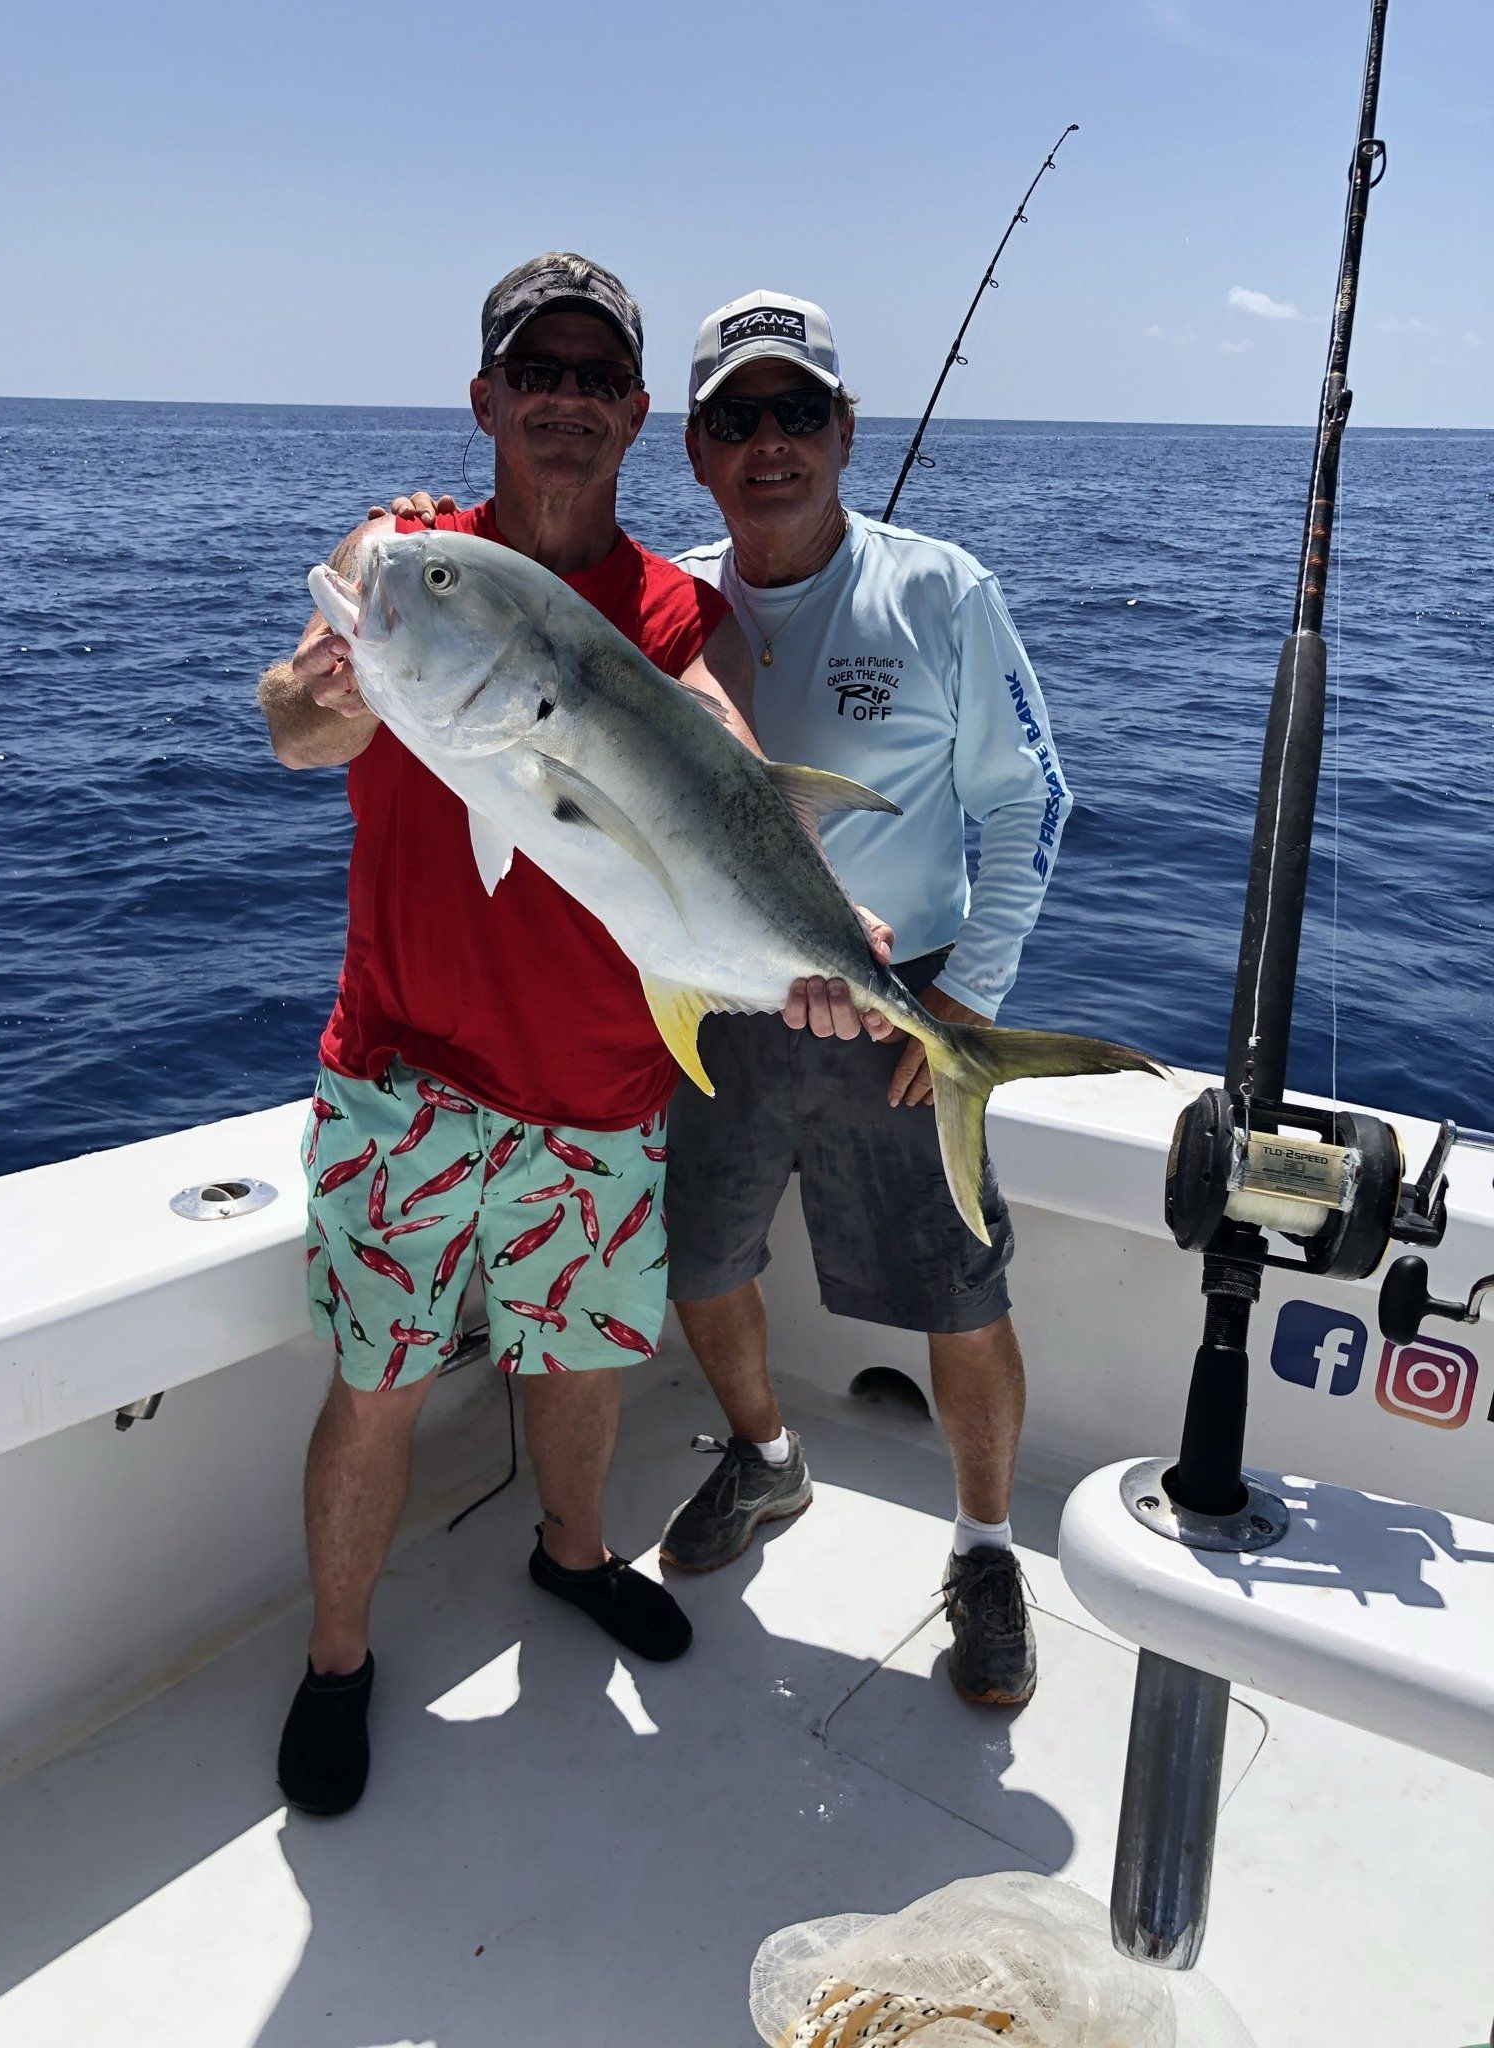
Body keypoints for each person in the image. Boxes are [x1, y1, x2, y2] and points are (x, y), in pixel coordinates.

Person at [256, 253, 762, 1816]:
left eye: (595, 377)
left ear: (636, 413)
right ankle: (338, 1657)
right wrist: (335, 697)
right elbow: (291, 724)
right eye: (534, 371)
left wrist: (812, 916)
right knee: (379, 1381)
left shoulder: (670, 609)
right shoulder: (402, 564)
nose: (563, 400)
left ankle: (576, 1554)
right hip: (401, 1075)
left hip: (600, 1084)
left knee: (584, 1364)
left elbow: (719, 745)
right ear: (484, 398)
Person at [659, 291, 1076, 1708]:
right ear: (695, 449)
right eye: (736, 417)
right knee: (700, 1263)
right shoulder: (667, 606)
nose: (768, 442)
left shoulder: (941, 591)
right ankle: (766, 1460)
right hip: (716, 1004)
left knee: (960, 1294)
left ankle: (986, 1549)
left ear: (845, 431)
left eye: (797, 411)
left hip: (905, 1013)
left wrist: (969, 1000)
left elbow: (1031, 802)